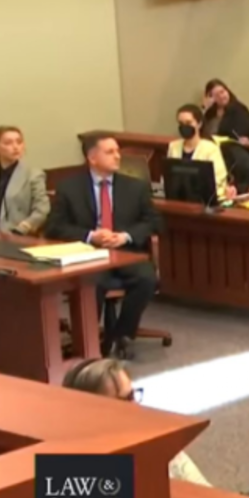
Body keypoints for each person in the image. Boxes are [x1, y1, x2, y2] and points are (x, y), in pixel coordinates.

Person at [47, 135, 159, 360]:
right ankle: (86, 344)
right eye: (110, 152)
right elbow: (54, 227)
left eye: (117, 151)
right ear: (92, 158)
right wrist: (90, 236)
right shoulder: (69, 188)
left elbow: (155, 222)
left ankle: (122, 334)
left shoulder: (135, 187)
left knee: (147, 278)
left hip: (126, 253)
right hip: (90, 255)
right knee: (92, 283)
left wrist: (125, 236)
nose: (117, 156)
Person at [62, 358, 211, 485]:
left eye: (132, 395)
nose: (135, 407)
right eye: (122, 402)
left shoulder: (159, 447)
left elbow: (209, 494)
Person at [0, 125, 48, 235]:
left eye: (19, 142)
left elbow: (42, 209)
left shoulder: (33, 175)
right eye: (8, 143)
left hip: (17, 233)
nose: (15, 147)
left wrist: (23, 227)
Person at [168, 104, 230, 200]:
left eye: (188, 122)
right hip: (178, 197)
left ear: (199, 124)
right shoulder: (173, 146)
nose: (184, 126)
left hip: (204, 199)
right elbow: (169, 176)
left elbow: (219, 178)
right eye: (181, 123)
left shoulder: (210, 148)